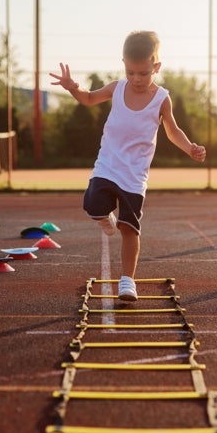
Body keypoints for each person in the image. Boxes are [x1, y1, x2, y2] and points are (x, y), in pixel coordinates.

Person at [50, 30, 206, 301]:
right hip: (108, 165)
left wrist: (190, 147)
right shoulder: (116, 88)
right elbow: (88, 99)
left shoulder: (162, 99)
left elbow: (172, 131)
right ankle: (105, 221)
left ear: (156, 66)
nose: (136, 79)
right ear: (124, 64)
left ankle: (127, 281)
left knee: (130, 229)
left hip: (134, 176)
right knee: (92, 205)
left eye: (143, 73)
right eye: (131, 72)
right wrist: (73, 87)